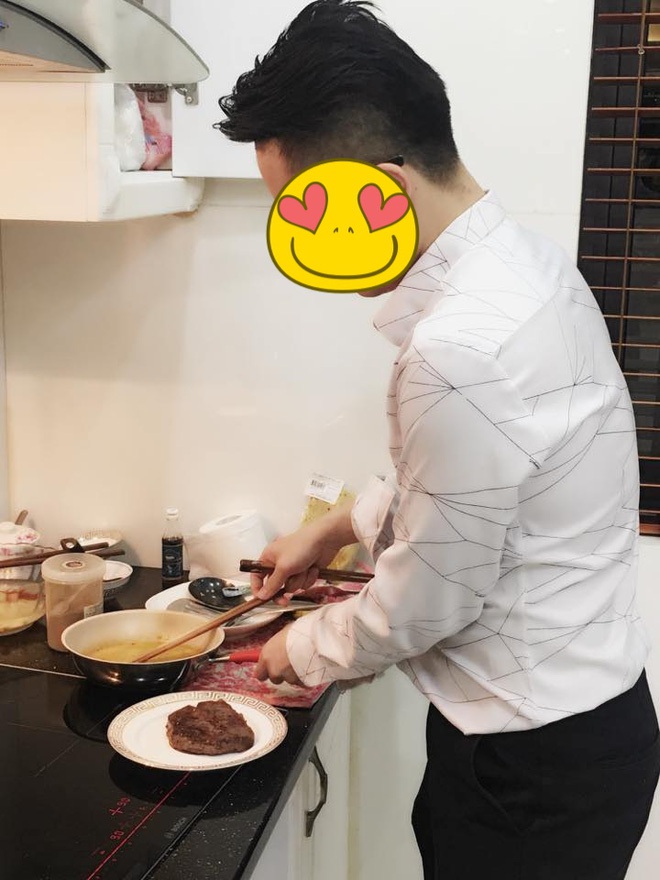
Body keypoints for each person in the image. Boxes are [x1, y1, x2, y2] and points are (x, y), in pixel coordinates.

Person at [217, 2, 660, 877]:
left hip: (529, 772)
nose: (301, 241)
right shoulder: (527, 264)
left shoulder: (460, 349)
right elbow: (481, 489)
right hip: (580, 731)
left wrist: (296, 649)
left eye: (301, 213)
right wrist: (335, 527)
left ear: (383, 187)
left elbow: (429, 600)